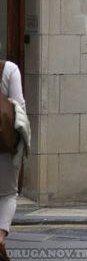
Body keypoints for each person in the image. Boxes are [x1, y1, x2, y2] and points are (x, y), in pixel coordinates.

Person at [0, 58, 28, 260]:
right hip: (5, 147)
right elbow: (20, 109)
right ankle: (0, 237)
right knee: (8, 194)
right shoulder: (9, 70)